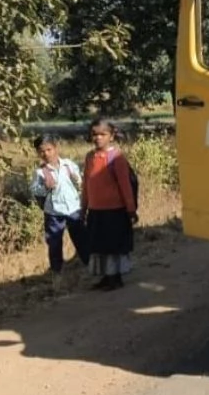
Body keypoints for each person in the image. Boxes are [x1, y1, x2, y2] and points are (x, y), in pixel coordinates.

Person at [81, 119, 138, 291]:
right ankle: (106, 277)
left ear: (111, 136)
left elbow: (125, 186)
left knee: (113, 246)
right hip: (96, 211)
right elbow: (86, 185)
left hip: (115, 211)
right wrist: (83, 208)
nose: (98, 138)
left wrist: (131, 210)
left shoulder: (116, 157)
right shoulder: (90, 157)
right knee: (99, 246)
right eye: (94, 134)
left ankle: (116, 278)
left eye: (102, 134)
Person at [29, 134, 89, 273]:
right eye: (41, 151)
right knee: (54, 243)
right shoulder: (39, 173)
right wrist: (45, 186)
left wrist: (77, 180)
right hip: (54, 213)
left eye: (49, 149)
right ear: (38, 153)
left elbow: (80, 182)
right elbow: (35, 191)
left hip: (73, 208)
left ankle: (90, 264)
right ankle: (57, 271)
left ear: (56, 148)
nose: (46, 154)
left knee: (81, 239)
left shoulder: (68, 165)